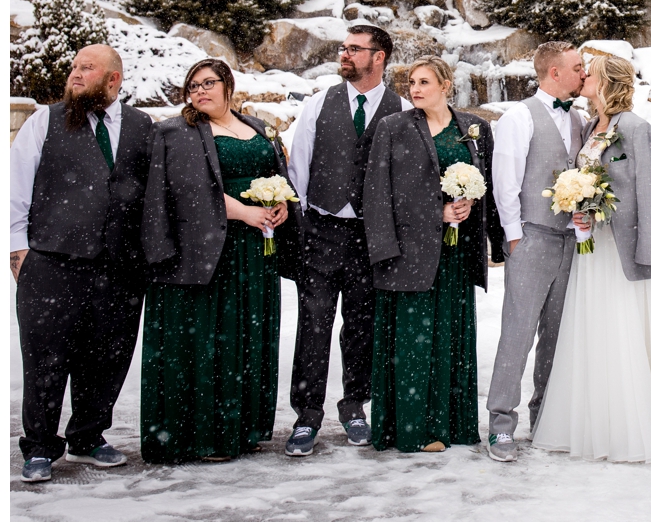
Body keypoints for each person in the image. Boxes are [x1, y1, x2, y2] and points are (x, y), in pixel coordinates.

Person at [532, 53, 651, 463]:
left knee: (640, 333)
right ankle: (599, 422)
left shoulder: (635, 128)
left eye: (591, 72)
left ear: (608, 80)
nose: (583, 76)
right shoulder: (589, 126)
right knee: (598, 334)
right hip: (593, 250)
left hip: (632, 247)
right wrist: (579, 206)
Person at [10, 45, 153, 482]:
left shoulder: (142, 126)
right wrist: (18, 250)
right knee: (46, 358)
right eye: (73, 67)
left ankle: (89, 436)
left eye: (86, 68)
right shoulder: (44, 121)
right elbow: (16, 185)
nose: (75, 75)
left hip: (119, 266)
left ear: (113, 79)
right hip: (53, 261)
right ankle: (39, 446)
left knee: (108, 356)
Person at [138, 59, 290, 464]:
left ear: (228, 85)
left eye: (209, 83)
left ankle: (245, 428)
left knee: (247, 333)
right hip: (204, 250)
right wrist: (245, 213)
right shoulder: (176, 132)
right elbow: (189, 190)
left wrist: (281, 207)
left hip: (255, 252)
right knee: (208, 336)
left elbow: (278, 177)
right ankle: (206, 433)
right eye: (192, 86)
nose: (200, 91)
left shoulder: (258, 128)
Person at [282, 24, 410, 455]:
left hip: (371, 239)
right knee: (313, 325)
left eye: (355, 49)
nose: (346, 55)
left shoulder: (402, 110)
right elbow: (298, 171)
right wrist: (300, 230)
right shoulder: (320, 103)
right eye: (344, 48)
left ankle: (354, 405)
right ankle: (307, 414)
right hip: (321, 231)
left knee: (361, 326)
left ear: (380, 57)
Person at [359, 57, 492, 453]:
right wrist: (436, 212)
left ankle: (452, 424)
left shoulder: (474, 128)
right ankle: (413, 428)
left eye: (424, 82)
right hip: (408, 253)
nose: (415, 89)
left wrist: (469, 206)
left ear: (446, 85)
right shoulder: (392, 127)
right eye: (410, 82)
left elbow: (487, 182)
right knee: (412, 342)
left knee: (451, 337)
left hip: (455, 255)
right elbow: (379, 193)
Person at [484, 42, 589, 462]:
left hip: (571, 244)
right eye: (577, 67)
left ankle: (543, 415)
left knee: (556, 337)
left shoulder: (580, 119)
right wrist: (514, 237)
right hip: (531, 238)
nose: (584, 74)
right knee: (518, 333)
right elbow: (505, 180)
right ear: (554, 73)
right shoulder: (518, 116)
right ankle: (501, 424)